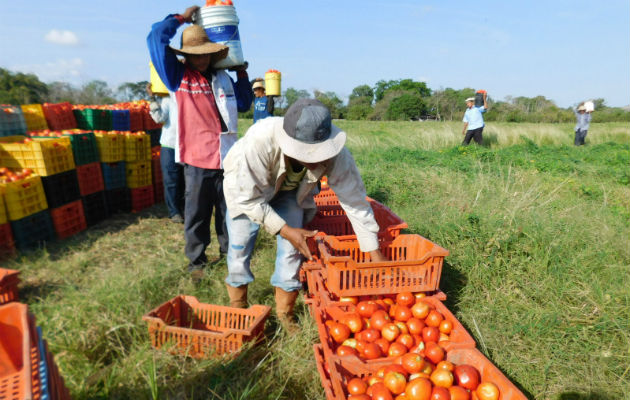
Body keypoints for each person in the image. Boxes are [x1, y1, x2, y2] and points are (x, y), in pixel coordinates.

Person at [222, 99, 387, 330]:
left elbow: (355, 202)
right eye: (308, 154)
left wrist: (374, 253)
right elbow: (247, 198)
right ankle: (238, 306)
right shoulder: (260, 141)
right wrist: (285, 229)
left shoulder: (338, 156)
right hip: (246, 190)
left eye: (320, 153)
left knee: (293, 250)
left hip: (290, 192)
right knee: (240, 246)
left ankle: (284, 313)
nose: (317, 160)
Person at [147, 5, 253, 276]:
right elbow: (155, 37)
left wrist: (242, 75)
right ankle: (197, 262)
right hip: (197, 160)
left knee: (228, 212)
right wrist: (181, 18)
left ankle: (228, 254)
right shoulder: (179, 77)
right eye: (196, 55)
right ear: (187, 56)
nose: (202, 59)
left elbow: (242, 104)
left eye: (206, 54)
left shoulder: (223, 78)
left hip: (228, 158)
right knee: (197, 214)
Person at [147, 84, 185, 223]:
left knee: (186, 180)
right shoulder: (168, 99)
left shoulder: (189, 98)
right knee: (171, 180)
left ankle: (185, 209)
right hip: (169, 145)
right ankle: (174, 212)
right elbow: (159, 118)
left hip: (187, 146)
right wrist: (152, 99)